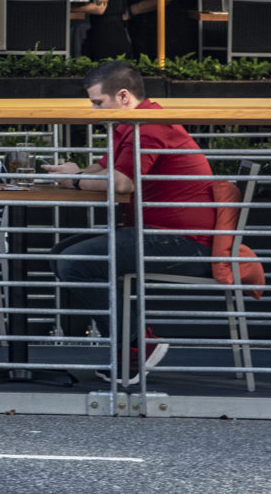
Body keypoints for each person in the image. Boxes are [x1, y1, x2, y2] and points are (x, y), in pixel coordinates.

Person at [43, 60, 216, 385]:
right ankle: (134, 343)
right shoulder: (135, 122)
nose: (94, 111)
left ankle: (138, 345)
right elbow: (106, 167)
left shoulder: (149, 126)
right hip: (161, 234)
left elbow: (122, 184)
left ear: (122, 96)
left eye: (98, 103)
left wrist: (76, 182)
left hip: (185, 243)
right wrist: (75, 172)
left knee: (72, 262)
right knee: (61, 253)